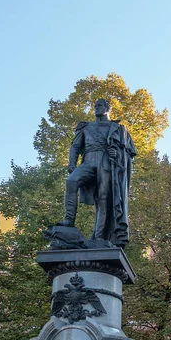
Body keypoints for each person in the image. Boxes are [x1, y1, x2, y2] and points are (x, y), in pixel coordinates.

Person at [58, 99, 136, 247]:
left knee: (103, 199)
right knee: (71, 181)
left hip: (105, 163)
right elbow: (75, 146)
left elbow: (128, 153)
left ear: (107, 108)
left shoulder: (118, 128)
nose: (96, 108)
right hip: (88, 161)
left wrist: (117, 153)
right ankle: (68, 220)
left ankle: (99, 237)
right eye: (95, 106)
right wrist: (71, 163)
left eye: (99, 105)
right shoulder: (86, 128)